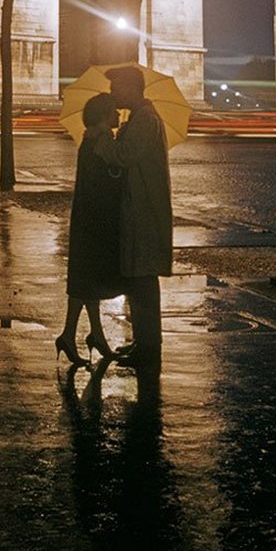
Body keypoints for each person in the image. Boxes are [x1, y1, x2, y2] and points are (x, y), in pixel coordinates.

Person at [95, 65, 172, 374]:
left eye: (117, 88)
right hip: (138, 208)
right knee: (138, 281)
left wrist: (101, 137)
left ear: (131, 88)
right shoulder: (139, 119)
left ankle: (150, 349)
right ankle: (143, 341)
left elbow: (123, 156)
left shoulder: (145, 121)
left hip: (144, 210)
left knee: (143, 281)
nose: (113, 94)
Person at [55, 91, 125, 367]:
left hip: (86, 214)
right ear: (104, 115)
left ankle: (87, 334)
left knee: (86, 277)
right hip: (98, 218)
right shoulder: (103, 139)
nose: (119, 114)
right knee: (88, 278)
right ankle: (73, 335)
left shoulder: (89, 138)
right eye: (114, 111)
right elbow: (119, 166)